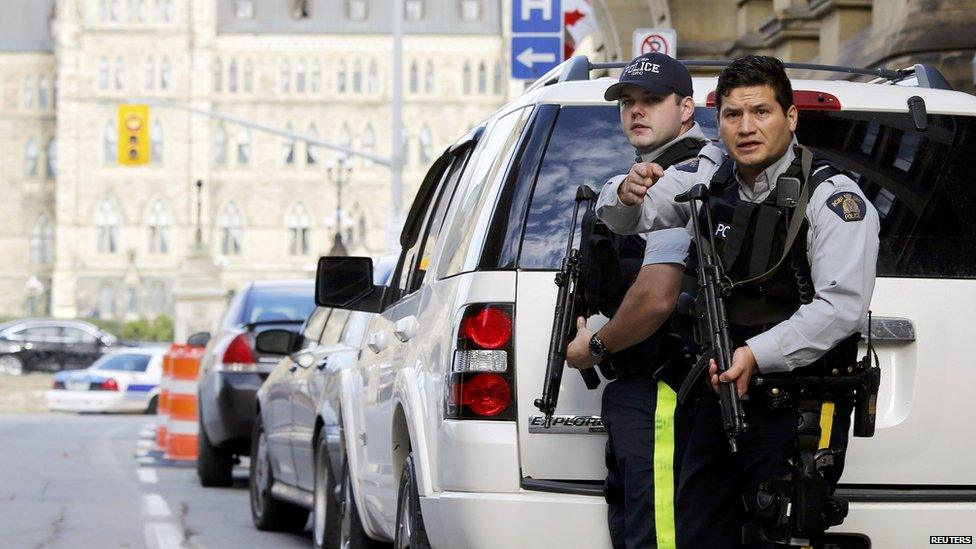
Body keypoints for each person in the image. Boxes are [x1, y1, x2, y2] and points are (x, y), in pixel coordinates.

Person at [596, 54, 880, 547]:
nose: (746, 127)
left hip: (795, 407)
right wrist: (624, 191)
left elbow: (842, 308)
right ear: (718, 121)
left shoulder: (832, 198)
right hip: (715, 394)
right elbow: (628, 217)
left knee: (772, 536)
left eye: (761, 112)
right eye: (732, 115)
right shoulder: (708, 184)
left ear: (790, 118)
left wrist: (755, 354)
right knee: (696, 534)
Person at [565, 52, 705, 549]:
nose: (636, 111)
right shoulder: (641, 179)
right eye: (628, 102)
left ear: (686, 108)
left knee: (657, 538)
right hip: (644, 391)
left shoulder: (691, 178)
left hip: (670, 386)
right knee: (635, 531)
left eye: (652, 100)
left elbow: (655, 302)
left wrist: (593, 348)